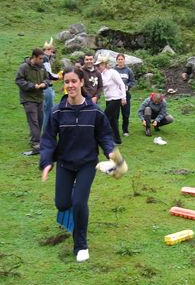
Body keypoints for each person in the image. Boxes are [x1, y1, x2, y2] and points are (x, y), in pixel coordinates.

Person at [40, 67, 115, 262]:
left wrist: (109, 151)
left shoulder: (94, 111)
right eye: (67, 82)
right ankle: (74, 195)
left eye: (74, 81)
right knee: (62, 204)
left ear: (82, 82)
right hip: (65, 163)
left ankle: (81, 245)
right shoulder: (58, 111)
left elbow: (104, 135)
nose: (70, 85)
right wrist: (47, 161)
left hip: (87, 164)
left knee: (79, 202)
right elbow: (48, 138)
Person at [15, 48, 49, 155]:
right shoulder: (24, 67)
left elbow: (47, 79)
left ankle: (35, 139)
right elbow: (19, 80)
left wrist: (45, 84)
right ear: (33, 57)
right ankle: (36, 143)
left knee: (40, 120)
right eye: (40, 58)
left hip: (39, 98)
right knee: (33, 121)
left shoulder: (42, 67)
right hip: (28, 99)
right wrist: (32, 86)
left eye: (42, 59)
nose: (42, 60)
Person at [94, 55, 126, 145]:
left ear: (104, 64)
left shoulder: (113, 72)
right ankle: (117, 140)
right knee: (113, 120)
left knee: (105, 117)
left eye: (99, 65)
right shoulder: (101, 74)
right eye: (97, 66)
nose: (98, 67)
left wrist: (124, 98)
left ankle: (103, 138)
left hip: (116, 98)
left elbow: (121, 84)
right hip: (108, 99)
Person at [114, 53, 136, 137]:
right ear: (116, 60)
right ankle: (115, 131)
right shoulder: (113, 70)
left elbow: (133, 81)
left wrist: (128, 86)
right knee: (115, 115)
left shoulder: (128, 70)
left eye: (121, 59)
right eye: (119, 59)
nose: (120, 61)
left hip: (126, 95)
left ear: (124, 60)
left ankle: (125, 130)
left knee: (126, 114)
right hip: (115, 95)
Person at [42, 38, 59, 131]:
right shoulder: (45, 59)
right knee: (48, 111)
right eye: (48, 49)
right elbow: (49, 74)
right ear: (44, 50)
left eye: (51, 49)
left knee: (45, 110)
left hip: (44, 87)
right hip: (47, 88)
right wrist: (59, 76)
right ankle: (46, 132)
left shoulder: (46, 58)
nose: (50, 51)